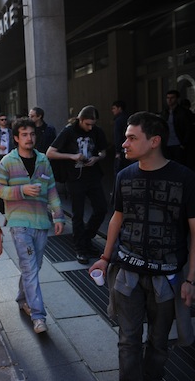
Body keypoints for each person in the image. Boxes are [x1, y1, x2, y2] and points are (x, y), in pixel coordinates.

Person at [89, 112, 195, 380]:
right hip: (128, 273)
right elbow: (117, 218)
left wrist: (190, 280)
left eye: (132, 138)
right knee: (128, 342)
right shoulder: (124, 175)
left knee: (159, 345)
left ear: (154, 141)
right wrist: (105, 257)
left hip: (167, 277)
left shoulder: (184, 178)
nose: (124, 144)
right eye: (126, 138)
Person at [0, 118, 65, 333]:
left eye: (32, 134)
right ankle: (38, 316)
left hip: (41, 222)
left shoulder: (43, 160)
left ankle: (22, 297)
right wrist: (22, 190)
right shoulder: (7, 161)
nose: (29, 138)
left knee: (33, 267)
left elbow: (51, 189)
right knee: (30, 268)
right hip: (19, 222)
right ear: (16, 138)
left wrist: (59, 217)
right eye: (24, 134)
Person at [46, 105, 108, 264]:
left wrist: (97, 158)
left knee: (101, 208)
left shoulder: (97, 131)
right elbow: (50, 152)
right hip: (75, 177)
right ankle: (80, 247)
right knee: (78, 213)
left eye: (92, 124)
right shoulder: (69, 131)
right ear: (80, 120)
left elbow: (103, 151)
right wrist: (72, 156)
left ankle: (87, 238)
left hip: (92, 175)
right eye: (87, 124)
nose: (90, 127)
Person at [160, 89, 191, 165]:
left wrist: (184, 144)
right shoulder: (165, 112)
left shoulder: (183, 112)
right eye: (168, 98)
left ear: (177, 99)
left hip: (178, 144)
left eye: (172, 98)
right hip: (167, 144)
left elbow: (188, 129)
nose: (169, 100)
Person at [111, 100, 133, 175]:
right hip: (130, 146)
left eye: (114, 108)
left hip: (121, 149)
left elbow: (117, 137)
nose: (112, 110)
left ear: (119, 108)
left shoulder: (118, 120)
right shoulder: (129, 118)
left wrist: (117, 151)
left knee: (119, 171)